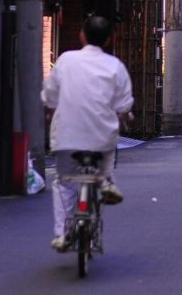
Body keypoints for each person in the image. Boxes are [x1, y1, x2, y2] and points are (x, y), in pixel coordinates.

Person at [42, 15, 133, 251]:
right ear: (109, 39)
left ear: (81, 35)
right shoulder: (115, 66)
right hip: (101, 139)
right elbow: (124, 104)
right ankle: (105, 180)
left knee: (63, 184)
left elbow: (50, 95)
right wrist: (124, 115)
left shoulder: (65, 60)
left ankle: (62, 234)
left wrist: (51, 110)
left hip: (66, 137)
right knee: (106, 151)